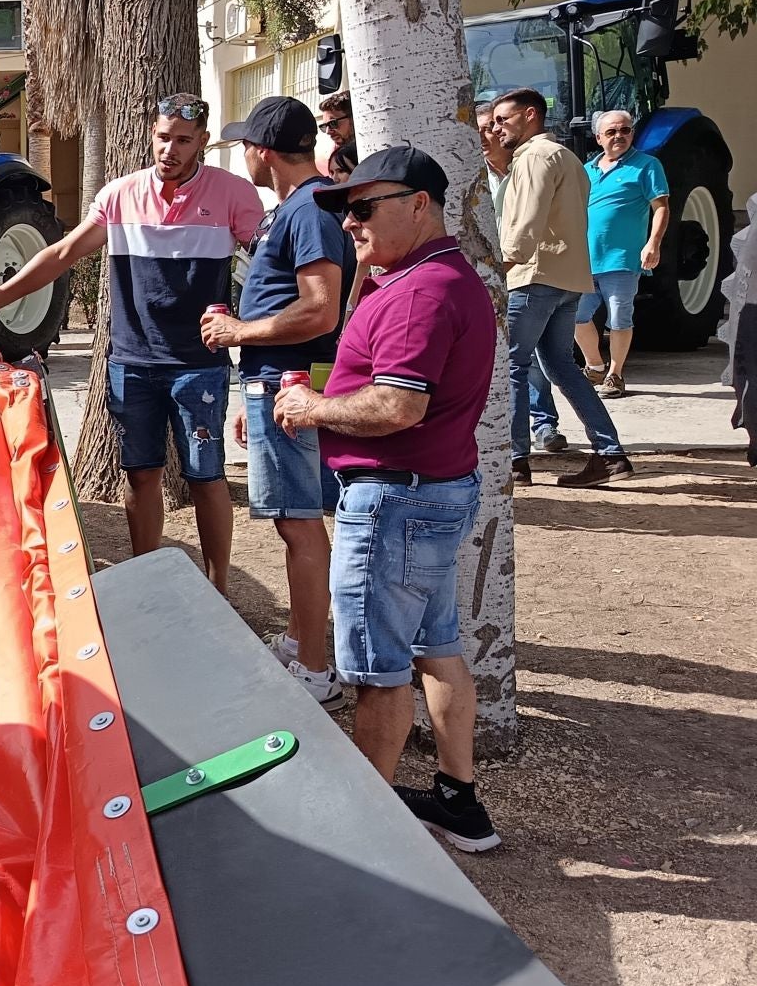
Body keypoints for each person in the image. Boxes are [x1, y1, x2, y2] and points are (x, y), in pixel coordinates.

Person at [273, 146, 500, 851]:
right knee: (437, 648)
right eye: (346, 210)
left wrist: (312, 409)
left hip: (395, 502)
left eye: (364, 208)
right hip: (427, 495)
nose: (350, 224)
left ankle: (361, 835)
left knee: (377, 672)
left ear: (420, 205)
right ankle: (458, 803)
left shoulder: (422, 292)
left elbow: (399, 406)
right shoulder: (426, 279)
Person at [0, 93, 262, 590]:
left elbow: (265, 266)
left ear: (204, 142)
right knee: (140, 475)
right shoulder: (119, 194)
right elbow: (61, 252)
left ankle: (218, 588)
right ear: (152, 134)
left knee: (205, 477)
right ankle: (146, 580)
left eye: (183, 140)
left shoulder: (234, 194)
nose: (170, 149)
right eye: (163, 137)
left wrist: (249, 326)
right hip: (133, 360)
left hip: (199, 363)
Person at [203, 96, 356, 709]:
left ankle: (317, 670)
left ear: (263, 152)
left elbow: (320, 307)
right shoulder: (300, 208)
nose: (243, 156)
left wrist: (240, 333)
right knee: (299, 522)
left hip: (290, 384)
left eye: (245, 146)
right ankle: (302, 639)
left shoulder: (309, 210)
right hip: (281, 380)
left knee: (300, 527)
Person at [491, 88, 633, 486]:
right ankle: (610, 454)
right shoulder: (568, 158)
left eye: (504, 119)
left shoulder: (534, 157)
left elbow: (525, 224)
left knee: (512, 366)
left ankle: (516, 462)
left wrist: (497, 270)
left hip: (533, 276)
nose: (497, 128)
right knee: (560, 366)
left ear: (530, 115)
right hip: (567, 278)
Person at [478, 102, 565, 453]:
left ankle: (542, 426)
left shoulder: (527, 165)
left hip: (524, 272)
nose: (485, 135)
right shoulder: (474, 175)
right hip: (488, 273)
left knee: (527, 357)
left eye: (490, 127)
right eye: (479, 129)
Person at [575, 109, 669, 398]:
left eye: (625, 130)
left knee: (618, 318)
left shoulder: (647, 166)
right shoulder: (586, 170)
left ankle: (615, 375)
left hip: (622, 259)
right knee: (574, 316)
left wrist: (653, 243)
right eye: (612, 132)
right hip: (584, 260)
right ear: (598, 137)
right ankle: (594, 365)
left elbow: (661, 207)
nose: (619, 136)